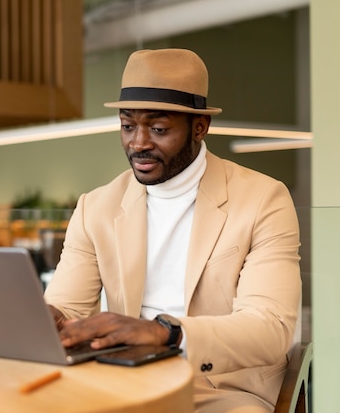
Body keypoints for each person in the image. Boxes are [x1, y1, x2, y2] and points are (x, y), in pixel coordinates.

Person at [44, 48, 301, 413]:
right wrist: (47, 318)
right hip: (123, 378)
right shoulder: (95, 207)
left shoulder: (263, 199)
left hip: (221, 389)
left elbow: (269, 328)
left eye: (159, 128)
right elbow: (68, 307)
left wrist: (165, 332)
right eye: (128, 125)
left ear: (200, 126)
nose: (139, 143)